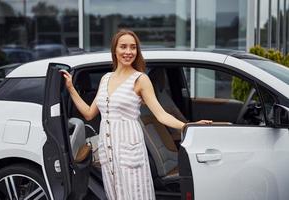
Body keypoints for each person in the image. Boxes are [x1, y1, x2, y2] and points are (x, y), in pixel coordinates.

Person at [62, 29, 212, 200]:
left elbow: (161, 115)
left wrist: (187, 126)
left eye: (133, 48)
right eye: (123, 47)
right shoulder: (106, 78)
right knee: (114, 195)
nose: (128, 52)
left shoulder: (140, 79)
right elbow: (89, 114)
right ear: (115, 50)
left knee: (135, 194)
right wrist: (71, 88)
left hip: (129, 147)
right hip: (108, 151)